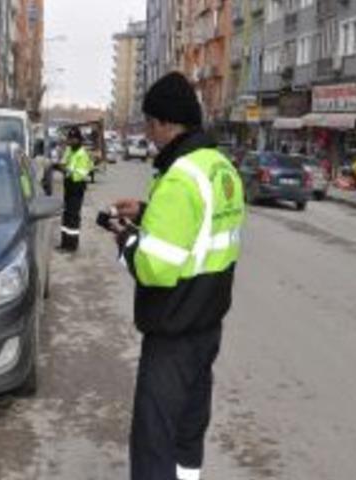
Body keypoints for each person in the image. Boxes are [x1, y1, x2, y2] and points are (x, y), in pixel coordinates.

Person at [109, 72, 246, 480]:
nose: (149, 135)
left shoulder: (179, 178)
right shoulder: (220, 168)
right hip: (207, 326)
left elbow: (155, 268)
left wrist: (125, 241)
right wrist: (150, 212)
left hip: (173, 333)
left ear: (166, 123)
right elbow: (202, 230)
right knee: (188, 434)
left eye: (150, 124)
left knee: (155, 441)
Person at [56, 127, 93, 252]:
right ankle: (64, 243)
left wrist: (67, 170)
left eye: (73, 139)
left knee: (73, 216)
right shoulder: (70, 150)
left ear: (78, 140)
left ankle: (72, 245)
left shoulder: (82, 154)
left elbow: (80, 174)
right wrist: (61, 166)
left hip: (77, 187)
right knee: (66, 214)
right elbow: (62, 162)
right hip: (68, 186)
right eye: (69, 139)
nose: (70, 141)